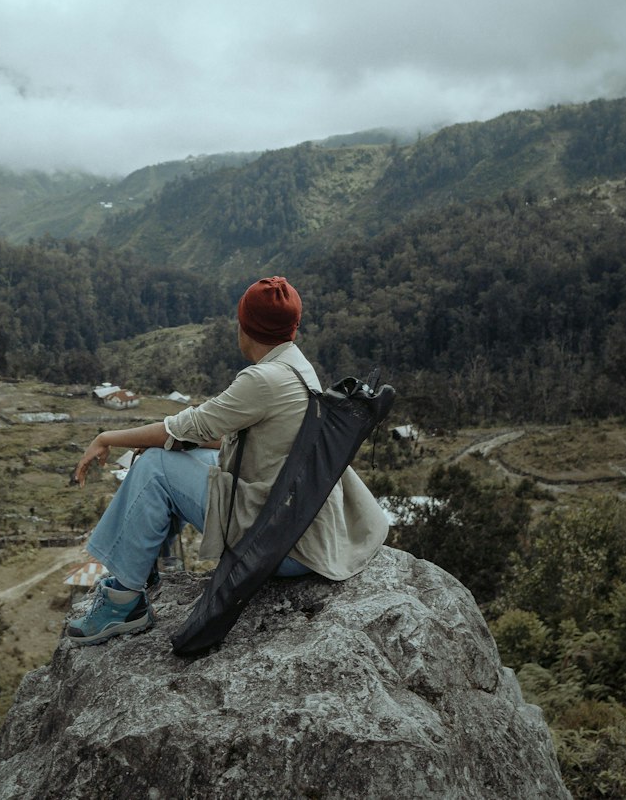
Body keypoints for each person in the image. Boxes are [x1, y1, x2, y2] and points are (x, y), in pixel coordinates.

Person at [65, 276, 388, 646]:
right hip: (295, 523)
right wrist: (178, 442)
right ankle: (139, 570)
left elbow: (186, 425)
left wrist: (106, 437)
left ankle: (124, 603)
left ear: (245, 326)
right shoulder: (296, 365)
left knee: (155, 466)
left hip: (282, 546)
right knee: (170, 452)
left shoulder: (264, 379)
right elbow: (216, 436)